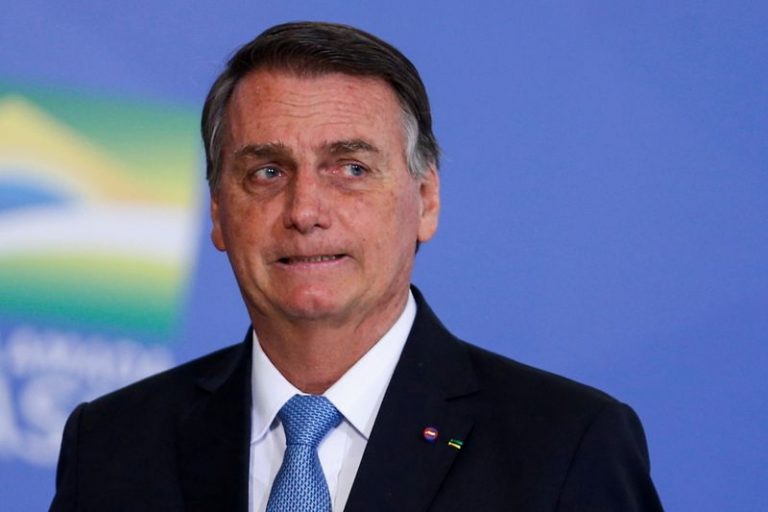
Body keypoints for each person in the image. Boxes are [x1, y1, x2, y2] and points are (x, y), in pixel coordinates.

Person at [50, 21, 663, 511]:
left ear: (426, 200)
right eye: (267, 171)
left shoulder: (567, 446)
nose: (305, 211)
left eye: (351, 168)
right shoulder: (110, 443)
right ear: (217, 212)